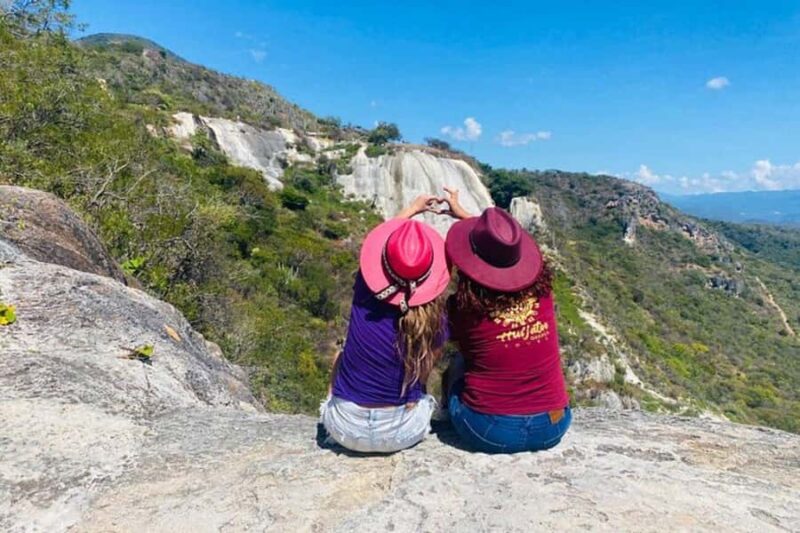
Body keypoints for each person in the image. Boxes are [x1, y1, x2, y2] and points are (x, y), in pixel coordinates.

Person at [440, 189, 571, 454]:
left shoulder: (462, 308)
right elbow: (505, 250)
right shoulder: (543, 292)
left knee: (458, 362)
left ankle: (444, 415)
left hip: (490, 432)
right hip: (554, 424)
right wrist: (467, 217)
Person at [320, 195, 451, 453]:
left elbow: (374, 245)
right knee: (421, 373)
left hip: (344, 430)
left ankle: (337, 408)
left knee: (340, 355)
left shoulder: (365, 296)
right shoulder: (437, 319)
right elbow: (424, 372)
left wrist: (412, 208)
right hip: (403, 433)